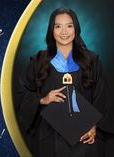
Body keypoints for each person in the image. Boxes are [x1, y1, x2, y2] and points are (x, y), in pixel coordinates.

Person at [15, 7, 114, 157]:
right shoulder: (38, 61)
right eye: (58, 26)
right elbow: (21, 93)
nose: (64, 32)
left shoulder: (91, 61)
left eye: (69, 25)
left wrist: (94, 125)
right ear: (51, 30)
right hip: (48, 138)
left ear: (76, 29)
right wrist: (42, 99)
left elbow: (103, 99)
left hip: (84, 139)